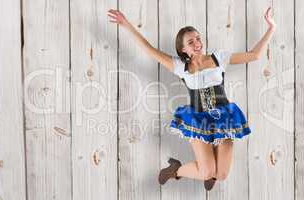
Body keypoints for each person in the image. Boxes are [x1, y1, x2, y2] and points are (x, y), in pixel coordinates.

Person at [107, 7, 276, 191]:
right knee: (206, 173)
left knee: (221, 175)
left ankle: (209, 170)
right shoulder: (181, 67)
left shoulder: (219, 58)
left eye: (198, 38)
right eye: (191, 41)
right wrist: (126, 24)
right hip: (198, 119)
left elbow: (254, 55)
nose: (197, 43)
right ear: (183, 49)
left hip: (224, 119)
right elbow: (149, 49)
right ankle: (175, 170)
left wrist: (271, 28)